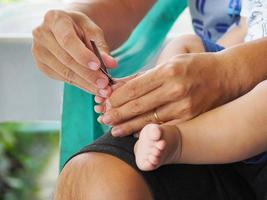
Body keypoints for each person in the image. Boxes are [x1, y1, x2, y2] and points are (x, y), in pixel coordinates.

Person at [32, 0, 267, 199]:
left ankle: (180, 141)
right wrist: (72, 29)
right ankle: (155, 113)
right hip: (220, 109)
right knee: (185, 44)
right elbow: (246, 28)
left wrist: (232, 71)